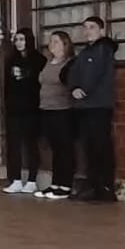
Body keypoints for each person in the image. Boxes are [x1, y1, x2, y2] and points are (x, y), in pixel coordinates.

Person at [68, 16, 119, 202]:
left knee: (101, 147)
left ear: (101, 30)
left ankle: (105, 188)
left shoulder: (103, 49)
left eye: (92, 27)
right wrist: (74, 87)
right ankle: (93, 186)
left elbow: (94, 74)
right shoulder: (84, 52)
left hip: (99, 105)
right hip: (85, 106)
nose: (87, 31)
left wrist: (83, 89)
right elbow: (73, 72)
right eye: (85, 27)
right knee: (88, 147)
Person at [2, 30, 46, 194]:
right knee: (13, 144)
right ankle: (16, 179)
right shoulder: (11, 60)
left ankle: (32, 180)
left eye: (22, 39)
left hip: (32, 109)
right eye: (16, 40)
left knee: (31, 144)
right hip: (14, 109)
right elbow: (7, 86)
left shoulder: (39, 60)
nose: (19, 43)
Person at [35, 31, 77, 200]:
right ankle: (55, 184)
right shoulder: (48, 62)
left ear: (65, 44)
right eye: (50, 41)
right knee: (55, 149)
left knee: (64, 149)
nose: (51, 44)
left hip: (63, 110)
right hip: (46, 109)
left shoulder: (70, 63)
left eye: (56, 41)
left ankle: (65, 185)